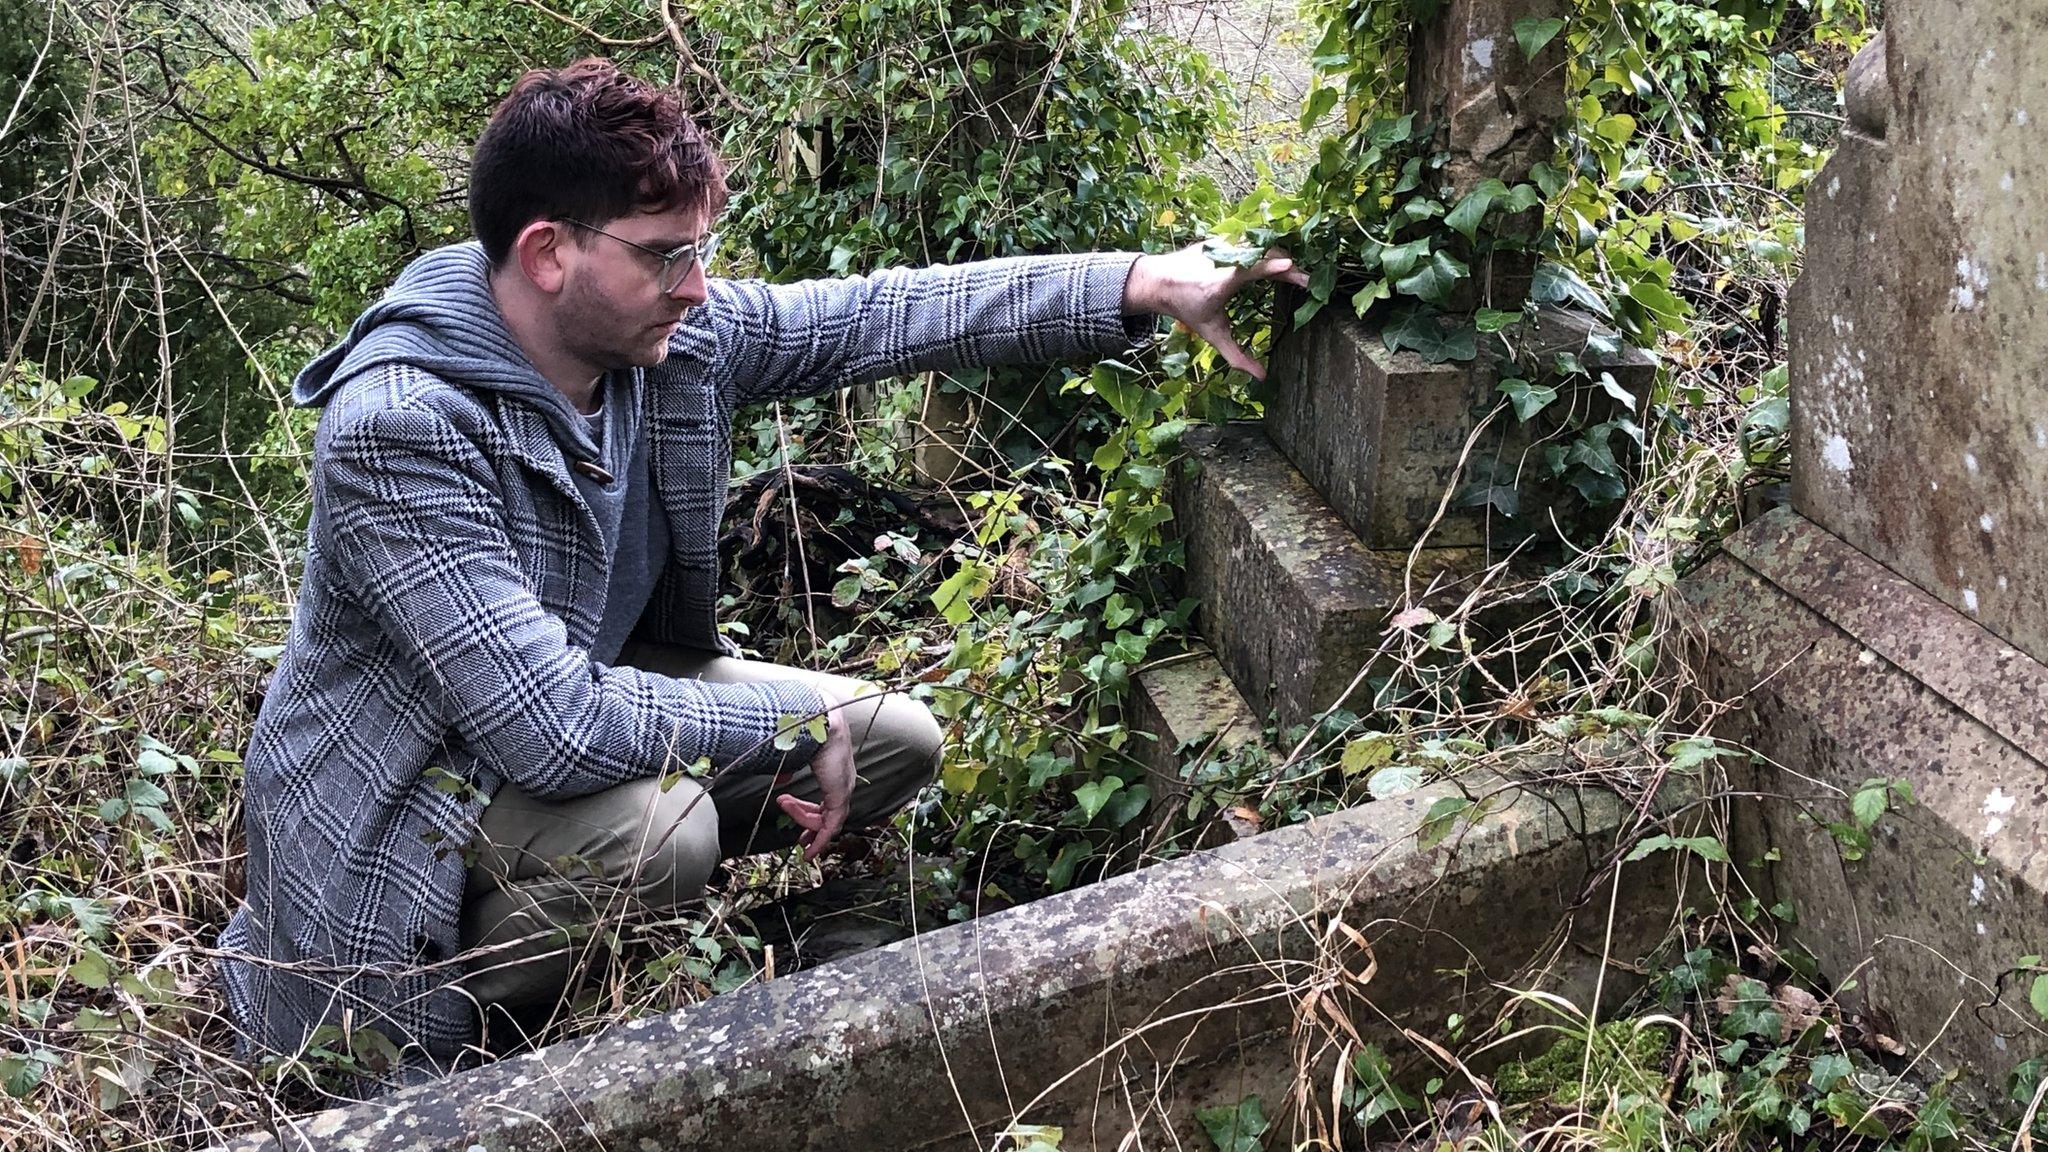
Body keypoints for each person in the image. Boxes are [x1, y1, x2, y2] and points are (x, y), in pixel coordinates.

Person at [216, 57, 1307, 1085]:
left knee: (892, 733)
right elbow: (544, 727)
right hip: (412, 802)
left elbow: (883, 315)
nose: (697, 286)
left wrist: (1139, 283)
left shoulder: (661, 337)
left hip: (576, 706)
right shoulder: (402, 427)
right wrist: (784, 719)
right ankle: (486, 1030)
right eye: (666, 254)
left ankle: (697, 931)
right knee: (662, 836)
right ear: (549, 252)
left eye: (701, 249)